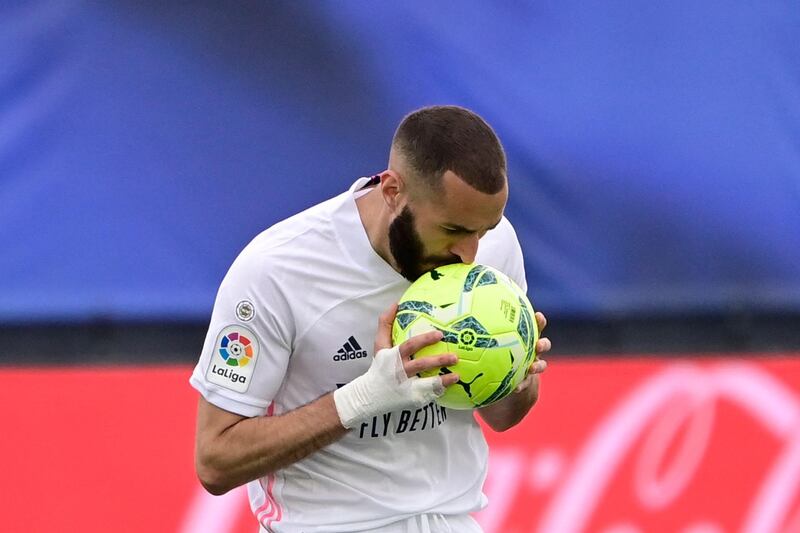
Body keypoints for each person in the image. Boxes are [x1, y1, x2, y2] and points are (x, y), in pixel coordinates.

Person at [190, 105, 551, 532]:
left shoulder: (493, 246)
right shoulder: (275, 270)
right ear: (393, 191)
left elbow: (502, 417)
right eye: (452, 231)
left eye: (484, 231)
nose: (469, 254)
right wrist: (365, 398)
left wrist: (515, 377)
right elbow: (215, 460)